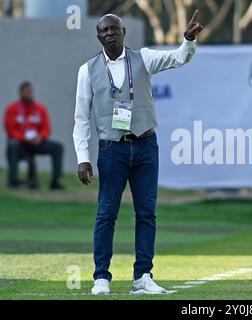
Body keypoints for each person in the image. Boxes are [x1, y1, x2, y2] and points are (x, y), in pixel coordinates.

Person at [73, 13, 203, 295]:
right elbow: (81, 118)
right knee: (106, 214)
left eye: (115, 29)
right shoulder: (88, 70)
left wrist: (189, 39)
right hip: (112, 149)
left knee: (146, 214)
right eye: (104, 30)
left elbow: (179, 58)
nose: (110, 33)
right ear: (98, 36)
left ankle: (143, 276)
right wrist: (82, 156)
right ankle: (101, 278)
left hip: (145, 145)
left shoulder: (143, 58)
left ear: (124, 31)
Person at [4, 82, 65, 189]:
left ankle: (56, 181)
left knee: (57, 147)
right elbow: (11, 130)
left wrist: (40, 137)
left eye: (30, 91)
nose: (29, 94)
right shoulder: (12, 109)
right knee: (12, 144)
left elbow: (46, 128)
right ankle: (13, 180)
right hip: (21, 144)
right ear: (21, 93)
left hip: (37, 142)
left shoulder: (40, 109)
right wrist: (24, 138)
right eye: (26, 91)